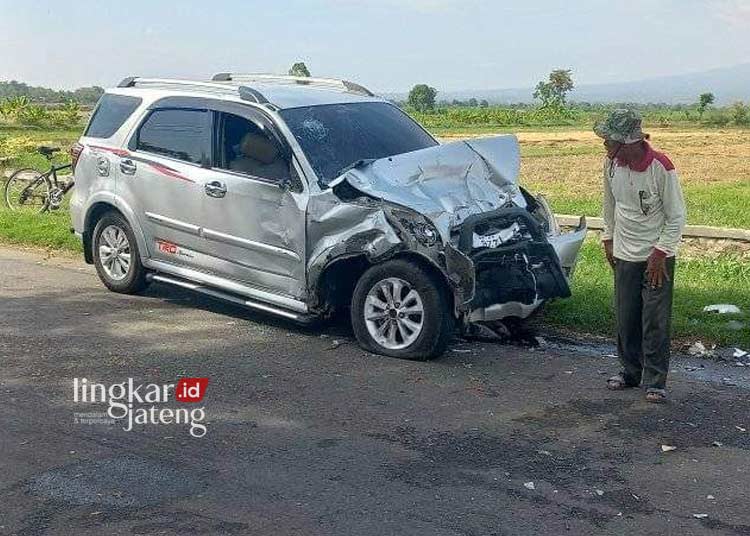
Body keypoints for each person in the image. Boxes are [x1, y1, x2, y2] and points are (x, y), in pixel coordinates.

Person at [594, 109, 686, 403]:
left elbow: (676, 216)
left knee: (655, 319)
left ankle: (655, 380)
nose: (605, 145)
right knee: (626, 316)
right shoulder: (611, 165)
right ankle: (630, 371)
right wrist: (608, 238)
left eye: (609, 140)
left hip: (656, 257)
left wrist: (660, 253)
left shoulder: (661, 167)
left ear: (627, 141)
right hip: (624, 253)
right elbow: (610, 205)